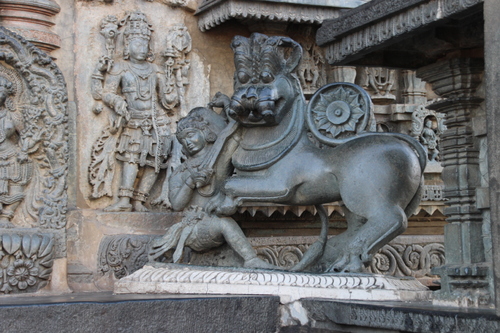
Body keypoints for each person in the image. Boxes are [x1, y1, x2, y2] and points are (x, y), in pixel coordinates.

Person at [149, 107, 276, 269]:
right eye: (183, 140)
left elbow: (229, 139)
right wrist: (190, 182)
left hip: (213, 219)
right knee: (224, 224)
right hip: (194, 227)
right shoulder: (182, 172)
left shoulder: (216, 159)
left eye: (191, 135)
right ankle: (251, 259)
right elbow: (177, 205)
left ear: (205, 133)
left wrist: (231, 109)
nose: (187, 142)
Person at [101, 12, 176, 212]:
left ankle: (140, 200)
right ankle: (124, 200)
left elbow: (168, 101)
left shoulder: (156, 70)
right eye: (137, 44)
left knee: (155, 161)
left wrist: (171, 80)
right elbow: (106, 92)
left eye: (145, 44)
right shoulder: (120, 67)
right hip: (134, 120)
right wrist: (117, 101)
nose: (141, 48)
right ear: (127, 46)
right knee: (131, 157)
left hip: (157, 121)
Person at [0, 77, 36, 227]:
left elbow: (26, 134)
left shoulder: (13, 116)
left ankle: (6, 216)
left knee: (17, 177)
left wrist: (24, 150)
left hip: (10, 155)